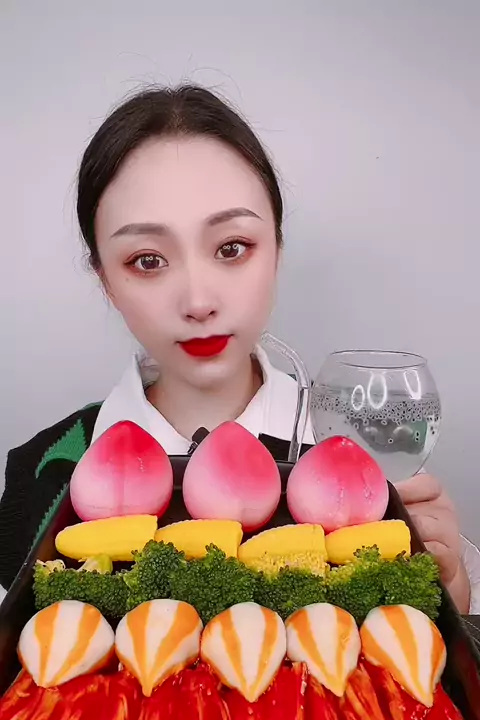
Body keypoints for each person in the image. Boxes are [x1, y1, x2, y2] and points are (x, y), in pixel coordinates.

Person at [0, 85, 478, 613]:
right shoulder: (44, 473)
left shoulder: (364, 445)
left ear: (277, 248)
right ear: (106, 281)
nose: (199, 302)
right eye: (147, 260)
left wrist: (451, 595)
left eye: (232, 248)